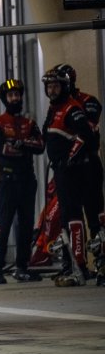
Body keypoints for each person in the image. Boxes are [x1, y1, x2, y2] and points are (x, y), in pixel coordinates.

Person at [0, 79, 45, 284]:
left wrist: (20, 144)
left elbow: (41, 146)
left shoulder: (30, 123)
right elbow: (3, 150)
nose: (15, 98)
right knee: (3, 224)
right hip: (8, 181)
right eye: (11, 95)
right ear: (5, 98)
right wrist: (24, 146)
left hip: (28, 181)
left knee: (26, 225)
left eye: (17, 94)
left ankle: (22, 267)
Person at [41, 66, 95, 286]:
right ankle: (72, 265)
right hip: (61, 172)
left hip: (73, 172)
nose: (52, 90)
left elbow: (86, 135)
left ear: (64, 87)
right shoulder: (53, 109)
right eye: (49, 86)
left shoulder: (72, 109)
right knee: (66, 218)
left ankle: (79, 267)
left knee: (73, 217)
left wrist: (70, 158)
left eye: (55, 86)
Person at [55, 64, 104, 257]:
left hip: (88, 163)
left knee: (95, 212)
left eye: (59, 83)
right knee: (69, 215)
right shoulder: (57, 106)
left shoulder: (88, 101)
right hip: (68, 168)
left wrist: (71, 152)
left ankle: (101, 258)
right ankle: (74, 260)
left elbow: (87, 131)